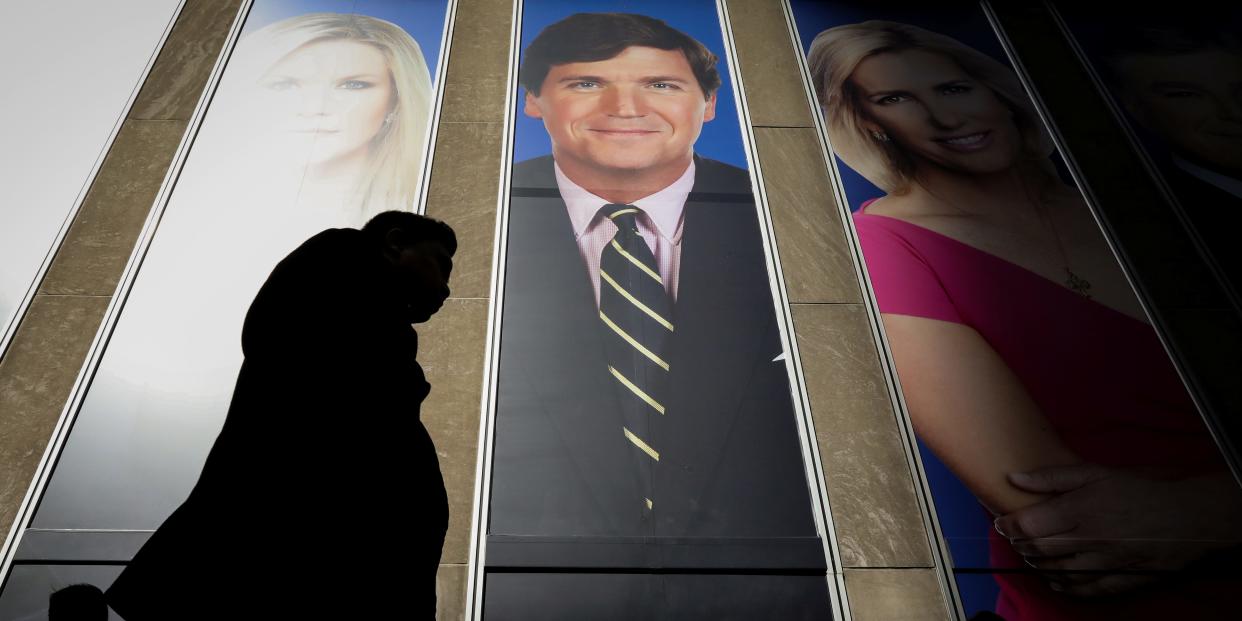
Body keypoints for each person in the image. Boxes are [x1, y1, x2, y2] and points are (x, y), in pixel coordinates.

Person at [808, 20, 1242, 620]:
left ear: (996, 91)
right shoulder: (881, 245)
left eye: (954, 89)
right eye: (896, 99)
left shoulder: (1157, 206)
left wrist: (1206, 513)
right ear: (869, 122)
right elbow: (1060, 514)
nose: (946, 118)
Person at [489, 13, 816, 540]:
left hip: (767, 580)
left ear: (709, 105)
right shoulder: (472, 217)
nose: (624, 109)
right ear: (534, 100)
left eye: (660, 85)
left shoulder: (799, 218)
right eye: (587, 83)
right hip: (526, 581)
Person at [104, 212, 455, 620]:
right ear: (395, 243)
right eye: (440, 265)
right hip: (305, 539)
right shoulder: (339, 263)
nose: (446, 289)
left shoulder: (369, 320)